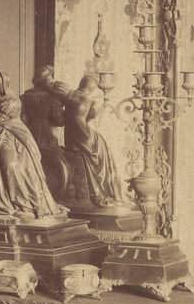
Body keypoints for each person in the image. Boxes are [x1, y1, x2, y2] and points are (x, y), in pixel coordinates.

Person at [0, 69, 69, 222]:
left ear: (4, 83)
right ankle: (16, 203)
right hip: (7, 136)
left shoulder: (14, 100)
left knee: (22, 168)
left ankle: (27, 204)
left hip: (18, 136)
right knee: (10, 167)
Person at [35, 67, 127, 208]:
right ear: (92, 89)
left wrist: (46, 81)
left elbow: (52, 89)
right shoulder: (88, 100)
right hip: (87, 134)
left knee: (91, 157)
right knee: (99, 159)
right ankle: (107, 191)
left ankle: (98, 192)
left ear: (81, 84)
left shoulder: (73, 95)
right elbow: (91, 115)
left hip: (77, 135)